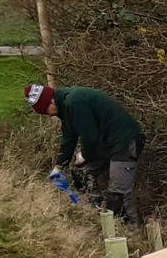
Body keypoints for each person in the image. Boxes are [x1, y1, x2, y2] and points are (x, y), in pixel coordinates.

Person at [29, 83, 145, 221]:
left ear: (51, 101)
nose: (47, 115)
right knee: (81, 173)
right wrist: (59, 166)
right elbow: (69, 138)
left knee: (118, 193)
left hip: (125, 141)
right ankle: (95, 211)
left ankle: (131, 229)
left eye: (45, 111)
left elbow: (90, 137)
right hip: (106, 144)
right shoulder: (64, 107)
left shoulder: (74, 103)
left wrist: (84, 155)